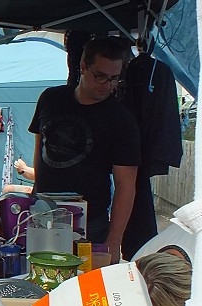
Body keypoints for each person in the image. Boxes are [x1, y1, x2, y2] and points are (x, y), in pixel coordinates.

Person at [28, 36, 140, 263]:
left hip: (91, 224)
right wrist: (35, 194)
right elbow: (40, 150)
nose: (107, 85)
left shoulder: (121, 120)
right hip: (43, 212)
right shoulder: (51, 98)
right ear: (83, 66)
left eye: (114, 78)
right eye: (100, 76)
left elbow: (126, 186)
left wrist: (114, 240)